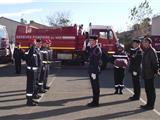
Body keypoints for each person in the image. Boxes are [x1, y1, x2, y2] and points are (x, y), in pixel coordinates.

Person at [140, 37, 159, 110]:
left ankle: (151, 105)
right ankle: (148, 103)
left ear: (149, 43)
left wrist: (156, 71)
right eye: (143, 42)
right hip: (146, 73)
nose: (143, 43)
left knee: (151, 90)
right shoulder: (146, 50)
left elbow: (155, 62)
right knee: (147, 90)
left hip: (150, 73)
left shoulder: (151, 51)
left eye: (145, 42)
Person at [25, 38, 42, 106]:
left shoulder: (35, 50)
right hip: (31, 70)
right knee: (30, 86)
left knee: (33, 85)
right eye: (34, 44)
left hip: (34, 70)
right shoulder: (29, 50)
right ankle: (29, 101)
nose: (35, 45)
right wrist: (32, 48)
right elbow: (28, 59)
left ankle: (31, 99)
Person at [87, 35, 102, 107]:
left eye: (91, 40)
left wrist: (94, 72)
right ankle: (94, 101)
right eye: (89, 40)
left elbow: (96, 62)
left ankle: (96, 102)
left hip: (94, 70)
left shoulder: (97, 49)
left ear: (95, 41)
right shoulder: (92, 48)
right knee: (93, 86)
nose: (90, 42)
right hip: (91, 70)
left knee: (96, 86)